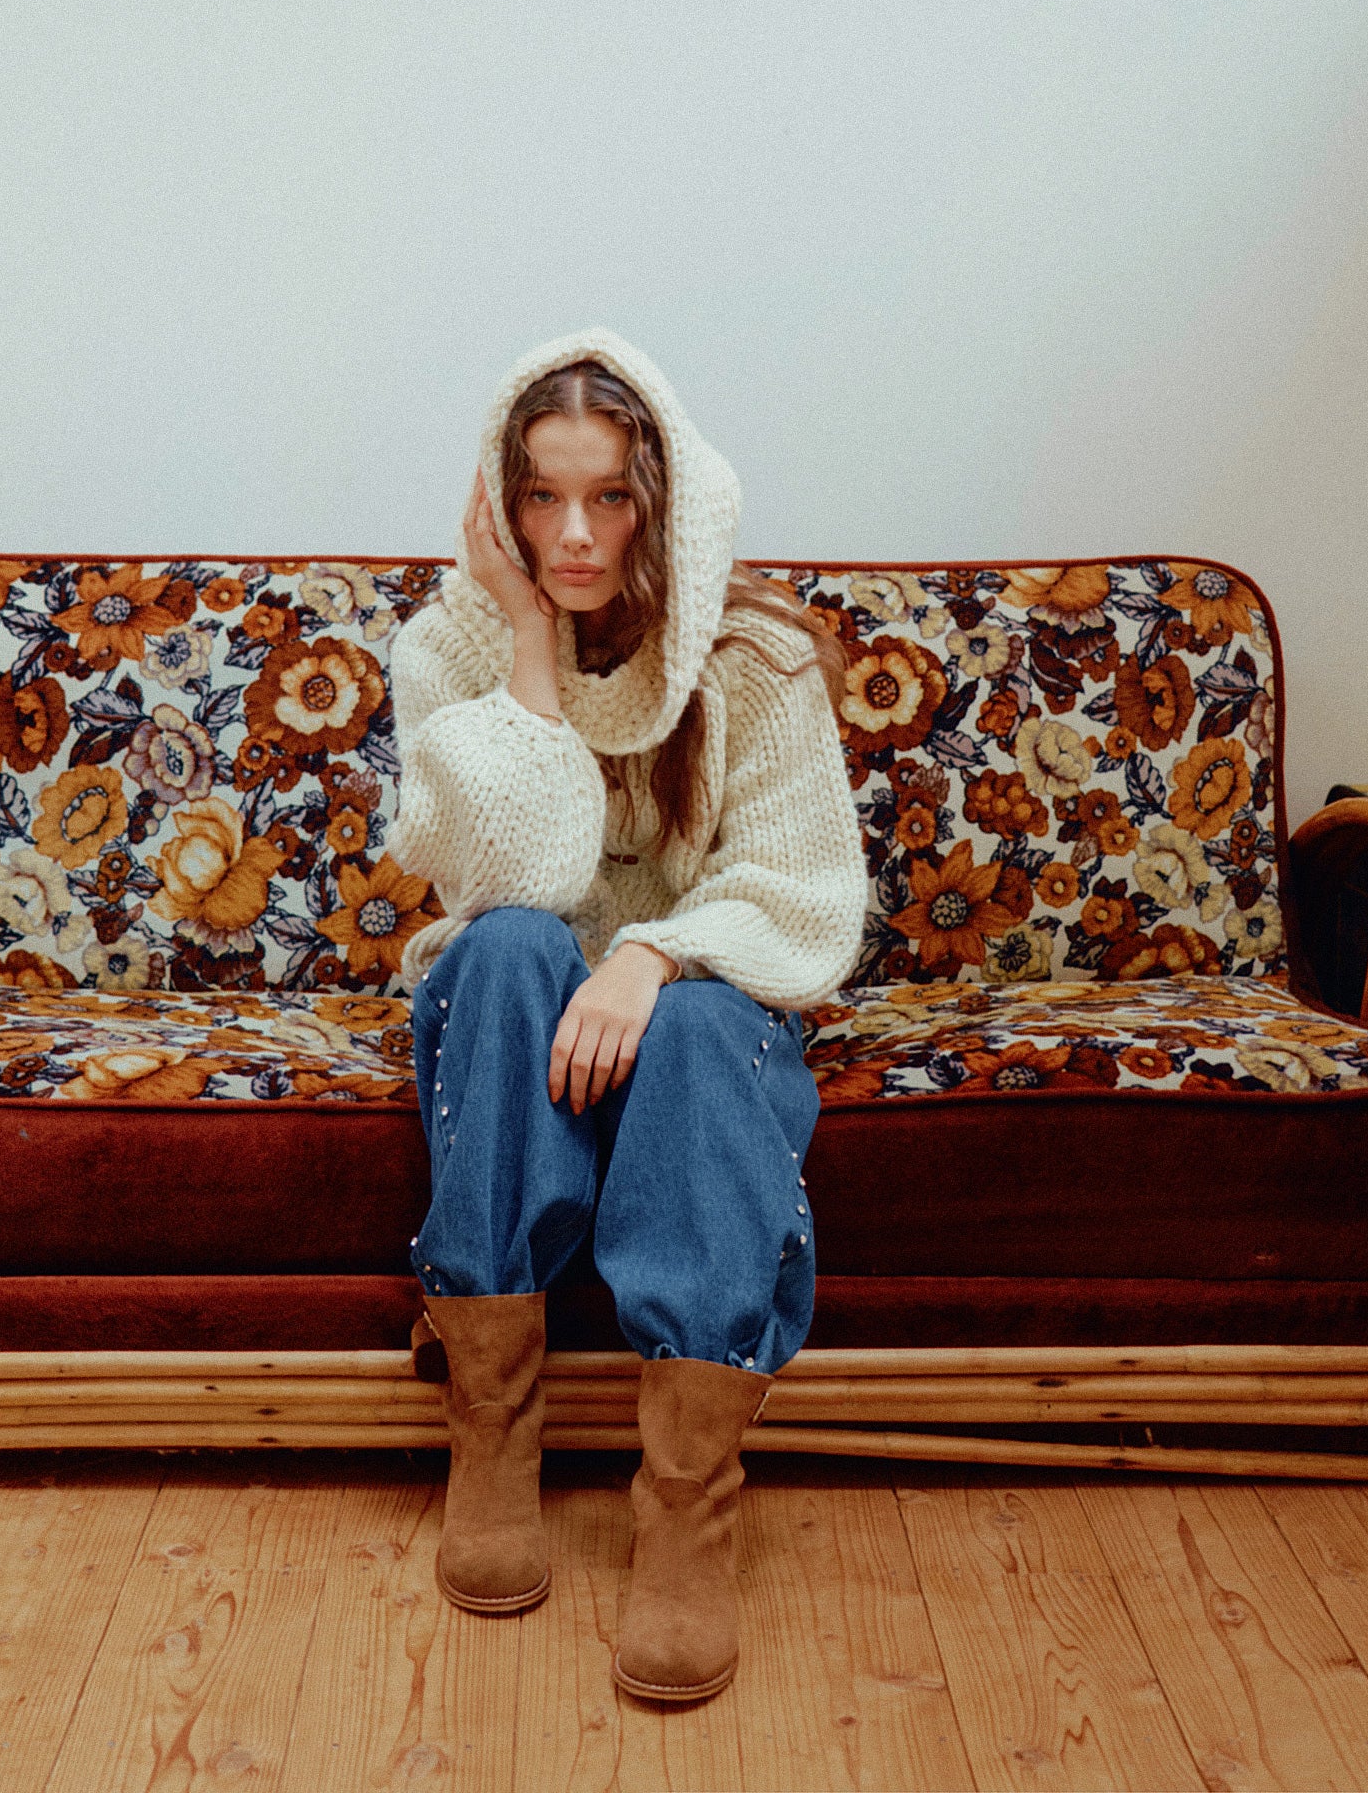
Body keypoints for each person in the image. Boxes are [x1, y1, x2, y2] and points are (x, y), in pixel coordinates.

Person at [382, 327, 868, 1703]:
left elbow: (802, 894)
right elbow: (514, 878)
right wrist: (531, 647)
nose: (575, 535)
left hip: (697, 1018)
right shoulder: (446, 651)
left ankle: (687, 1503)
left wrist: (650, 957)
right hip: (521, 1017)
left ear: (664, 502)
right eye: (541, 497)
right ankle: (492, 1433)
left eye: (608, 498)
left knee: (707, 1021)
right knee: (508, 947)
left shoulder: (757, 658)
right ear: (500, 504)